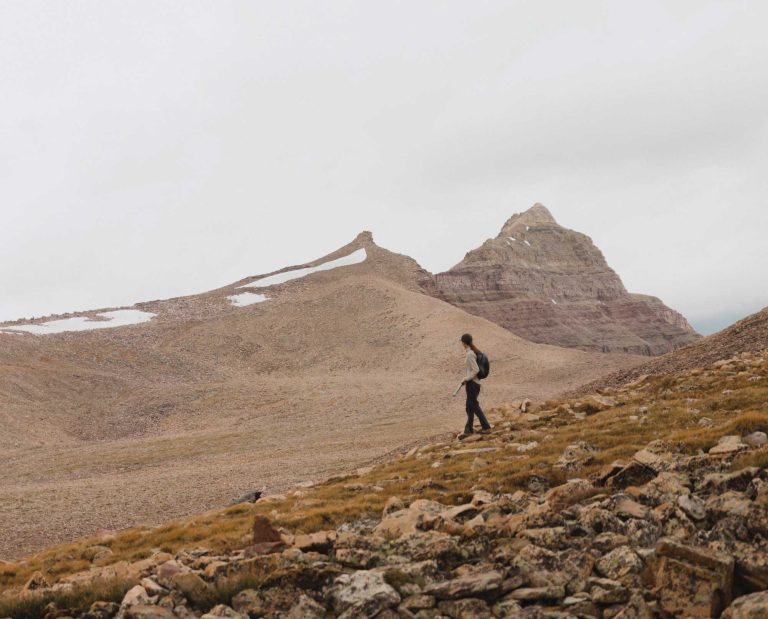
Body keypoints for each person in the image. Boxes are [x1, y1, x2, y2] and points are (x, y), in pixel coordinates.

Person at [458, 333, 491, 439]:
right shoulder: (472, 352)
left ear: (464, 343)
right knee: (469, 407)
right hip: (472, 383)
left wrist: (466, 379)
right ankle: (468, 430)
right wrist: (466, 379)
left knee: (474, 406)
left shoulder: (470, 354)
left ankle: (486, 427)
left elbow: (475, 370)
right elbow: (472, 370)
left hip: (473, 384)